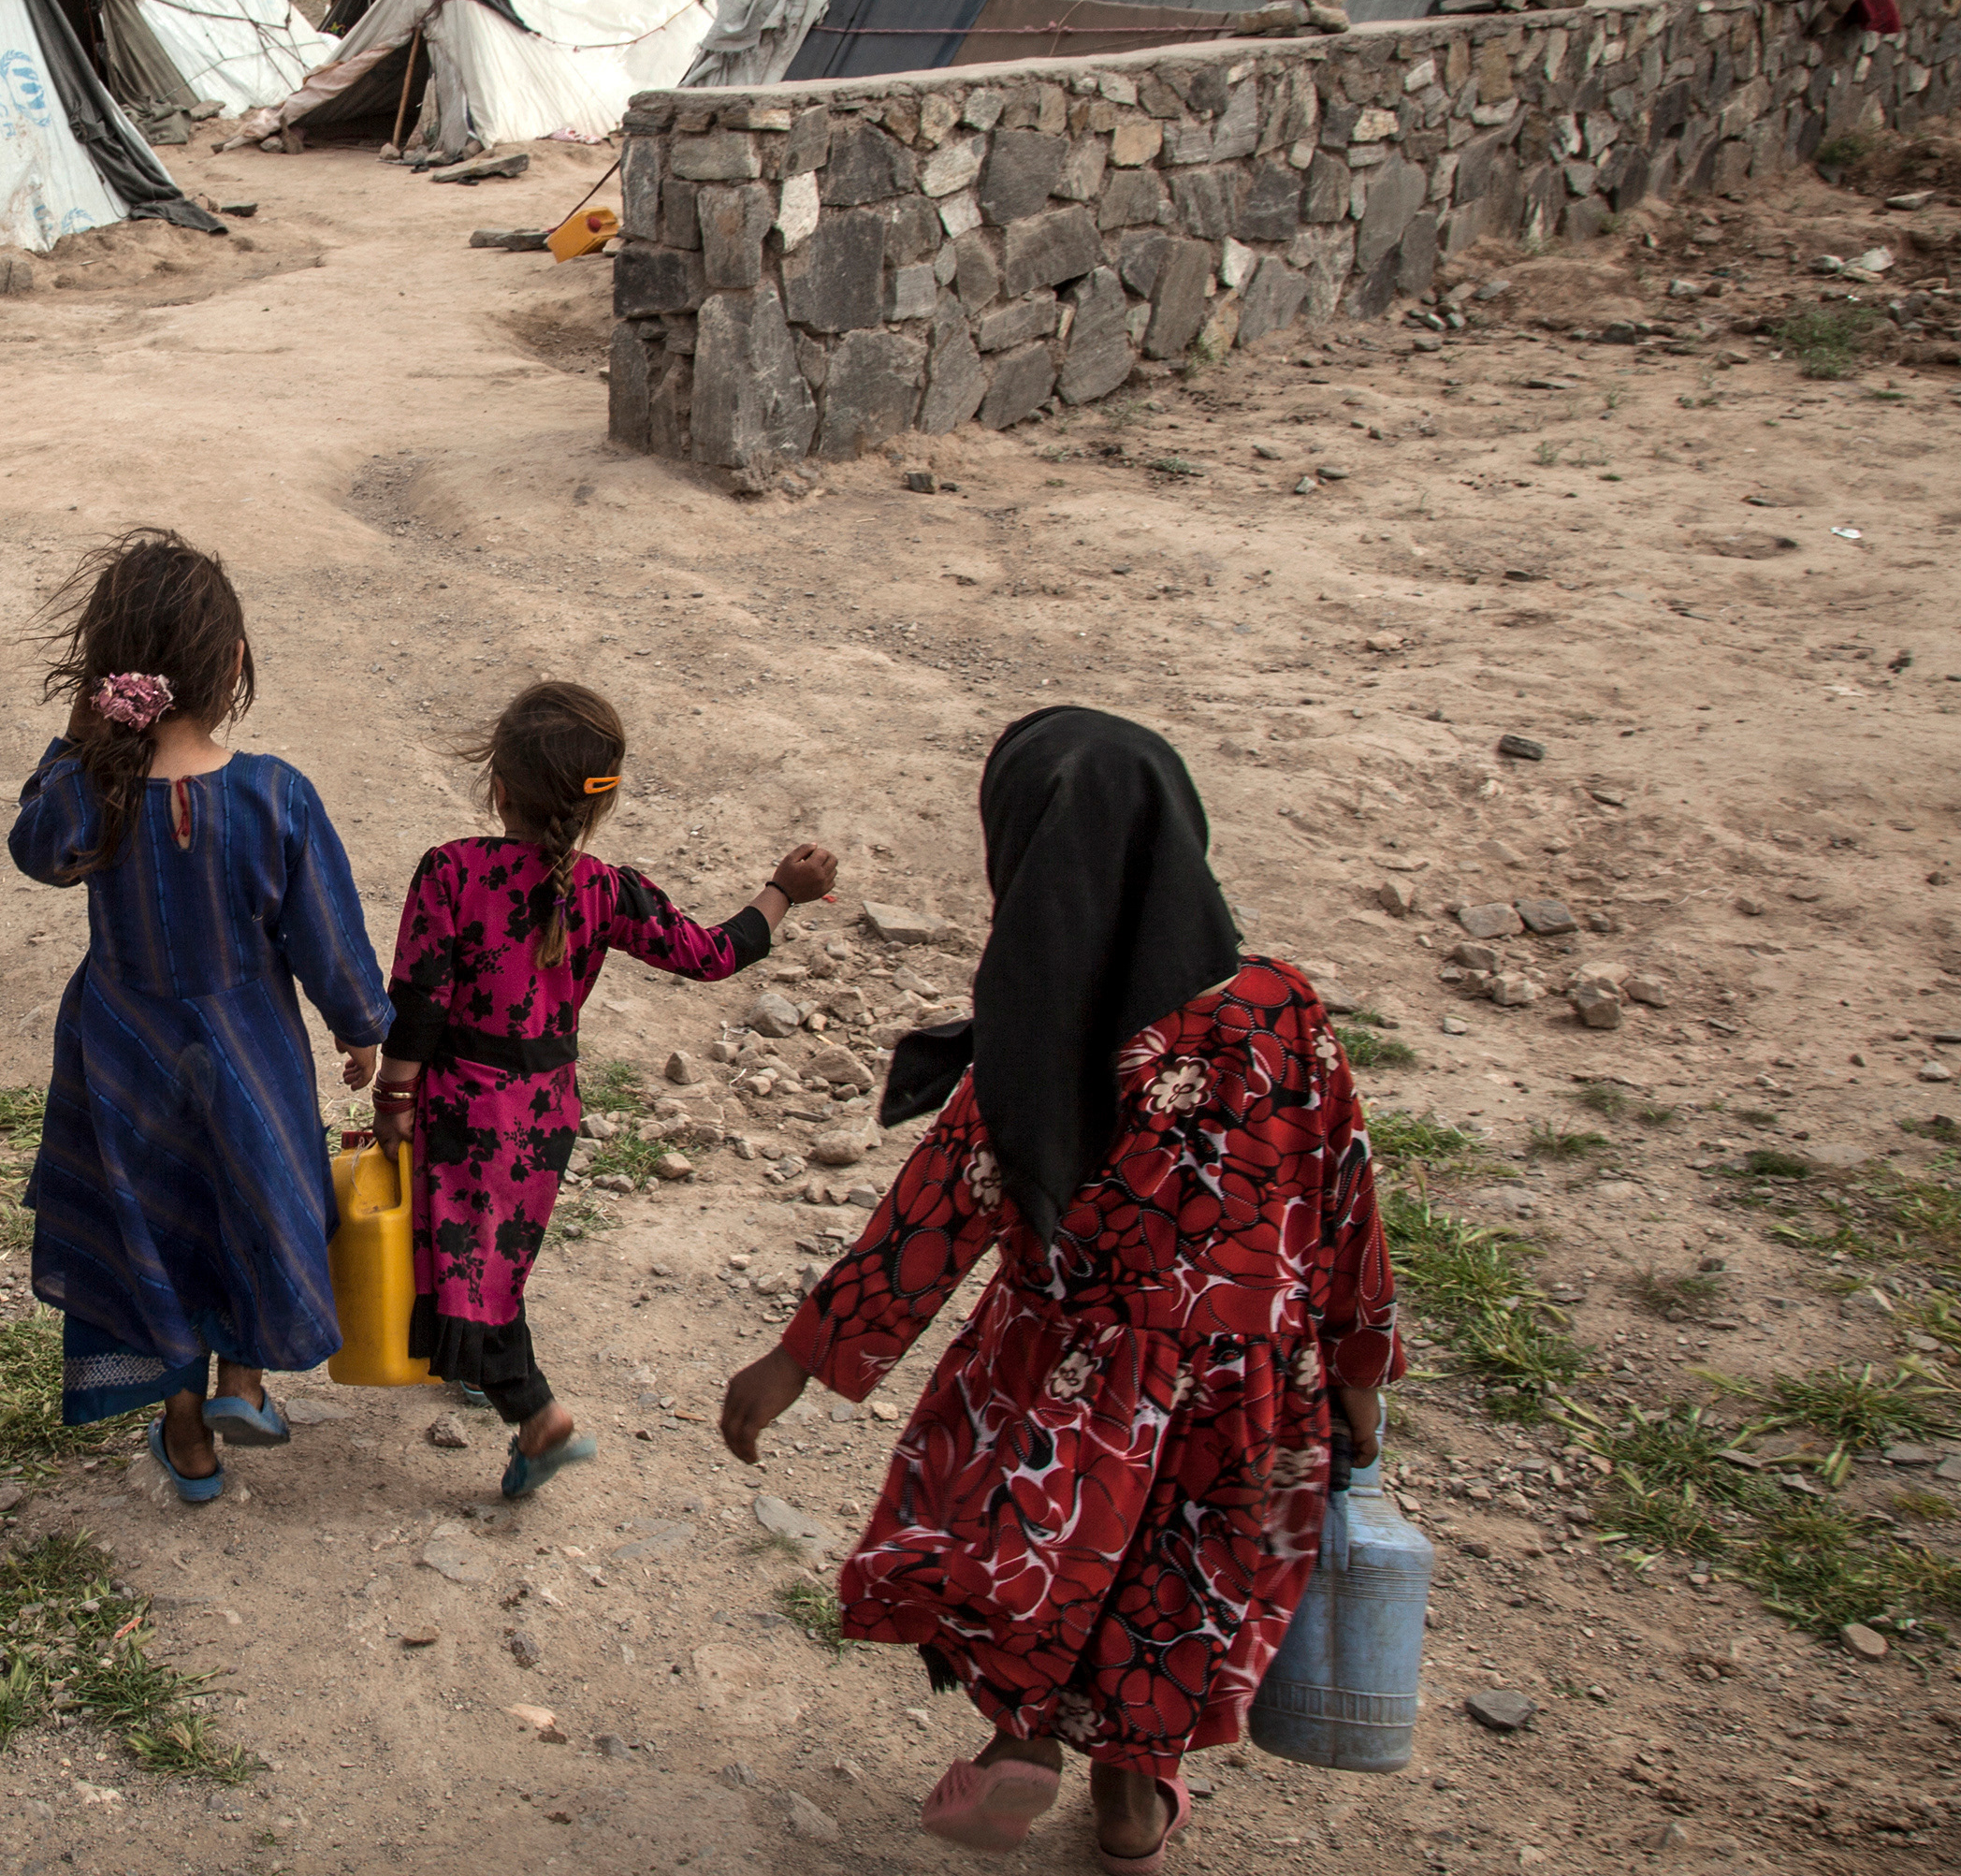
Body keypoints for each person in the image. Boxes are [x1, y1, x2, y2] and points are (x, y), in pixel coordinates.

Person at [719, 707, 1402, 1872]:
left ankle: (1021, 1752)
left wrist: (791, 1364)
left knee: (1059, 1561)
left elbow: (929, 1220)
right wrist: (1354, 1378)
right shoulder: (1283, 1010)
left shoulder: (1038, 1039)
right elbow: (1343, 1202)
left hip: (1069, 1381)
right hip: (1243, 1384)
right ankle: (1135, 1803)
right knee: (1169, 1588)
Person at [372, 681, 835, 1499]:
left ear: (499, 785)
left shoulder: (453, 871)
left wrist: (394, 1096)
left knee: (462, 1262)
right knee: (492, 1256)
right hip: (546, 1107)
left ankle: (538, 1417)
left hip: (464, 1104)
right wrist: (781, 892)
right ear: (598, 802)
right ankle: (481, 1367)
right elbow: (714, 953)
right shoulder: (607, 891)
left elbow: (421, 998)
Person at [9, 531, 389, 1505]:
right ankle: (245, 1388)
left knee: (152, 1227)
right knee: (256, 1201)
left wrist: (84, 737)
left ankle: (185, 1437)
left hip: (122, 1055)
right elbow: (327, 936)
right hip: (246, 1052)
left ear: (105, 673)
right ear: (234, 664)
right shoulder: (274, 797)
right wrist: (359, 1026)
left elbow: (36, 850)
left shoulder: (92, 792)